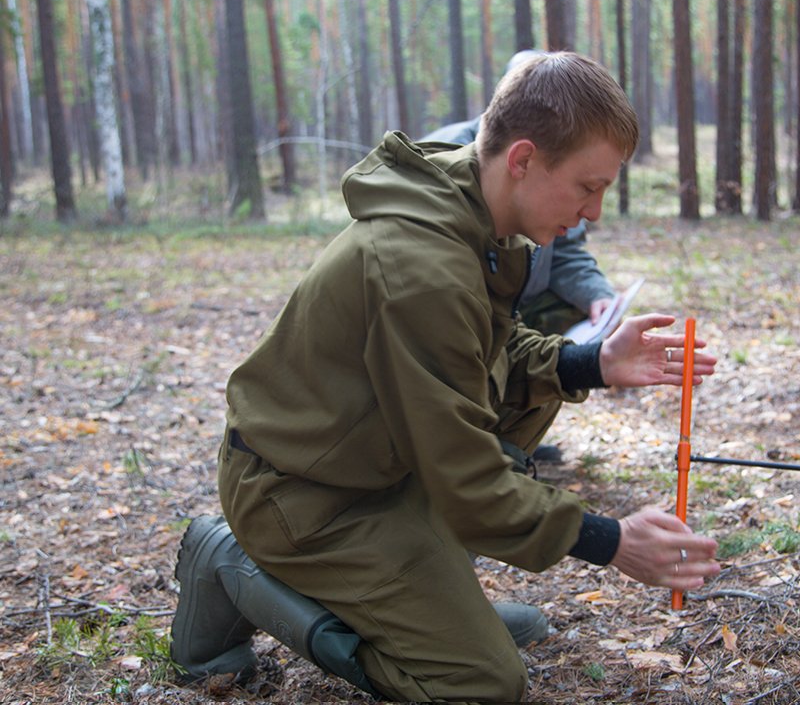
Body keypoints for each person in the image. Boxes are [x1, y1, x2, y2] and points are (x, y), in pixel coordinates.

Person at [170, 51, 720, 702]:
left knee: (526, 409)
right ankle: (231, 562)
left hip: (371, 465)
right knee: (478, 682)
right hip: (302, 495)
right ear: (522, 159)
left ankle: (430, 605)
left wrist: (591, 362)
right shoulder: (419, 264)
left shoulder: (474, 203)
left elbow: (480, 349)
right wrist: (613, 540)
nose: (594, 211)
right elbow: (464, 477)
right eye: (587, 186)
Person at [422, 50, 620, 464]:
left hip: (519, 300)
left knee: (533, 340)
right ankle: (491, 443)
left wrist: (596, 305)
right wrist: (605, 533)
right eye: (586, 189)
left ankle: (509, 441)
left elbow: (565, 251)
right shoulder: (448, 166)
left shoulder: (541, 180)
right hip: (477, 302)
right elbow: (447, 465)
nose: (594, 212)